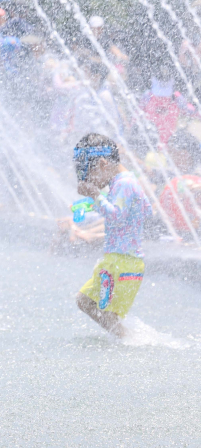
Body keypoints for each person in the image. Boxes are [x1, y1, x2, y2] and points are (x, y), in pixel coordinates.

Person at [73, 133, 153, 338]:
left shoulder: (124, 184)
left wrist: (95, 195)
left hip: (120, 262)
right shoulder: (127, 181)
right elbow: (146, 210)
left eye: (88, 174)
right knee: (102, 312)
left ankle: (129, 342)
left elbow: (116, 216)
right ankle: (129, 342)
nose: (88, 180)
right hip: (125, 262)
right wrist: (95, 203)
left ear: (102, 163)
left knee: (87, 303)